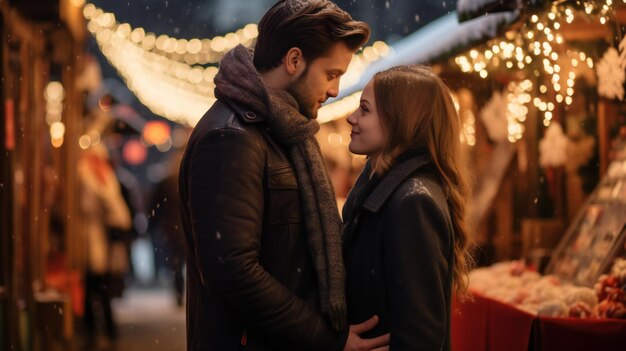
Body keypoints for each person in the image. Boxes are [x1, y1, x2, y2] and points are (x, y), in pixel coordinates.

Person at [179, 1, 388, 350]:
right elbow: (233, 274)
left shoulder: (280, 132)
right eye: (331, 74)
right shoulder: (231, 137)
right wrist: (325, 337)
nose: (335, 90)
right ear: (294, 61)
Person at [342, 65, 474, 350]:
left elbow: (420, 336)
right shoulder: (388, 192)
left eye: (364, 110)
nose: (352, 118)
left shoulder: (413, 202)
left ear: (400, 120)